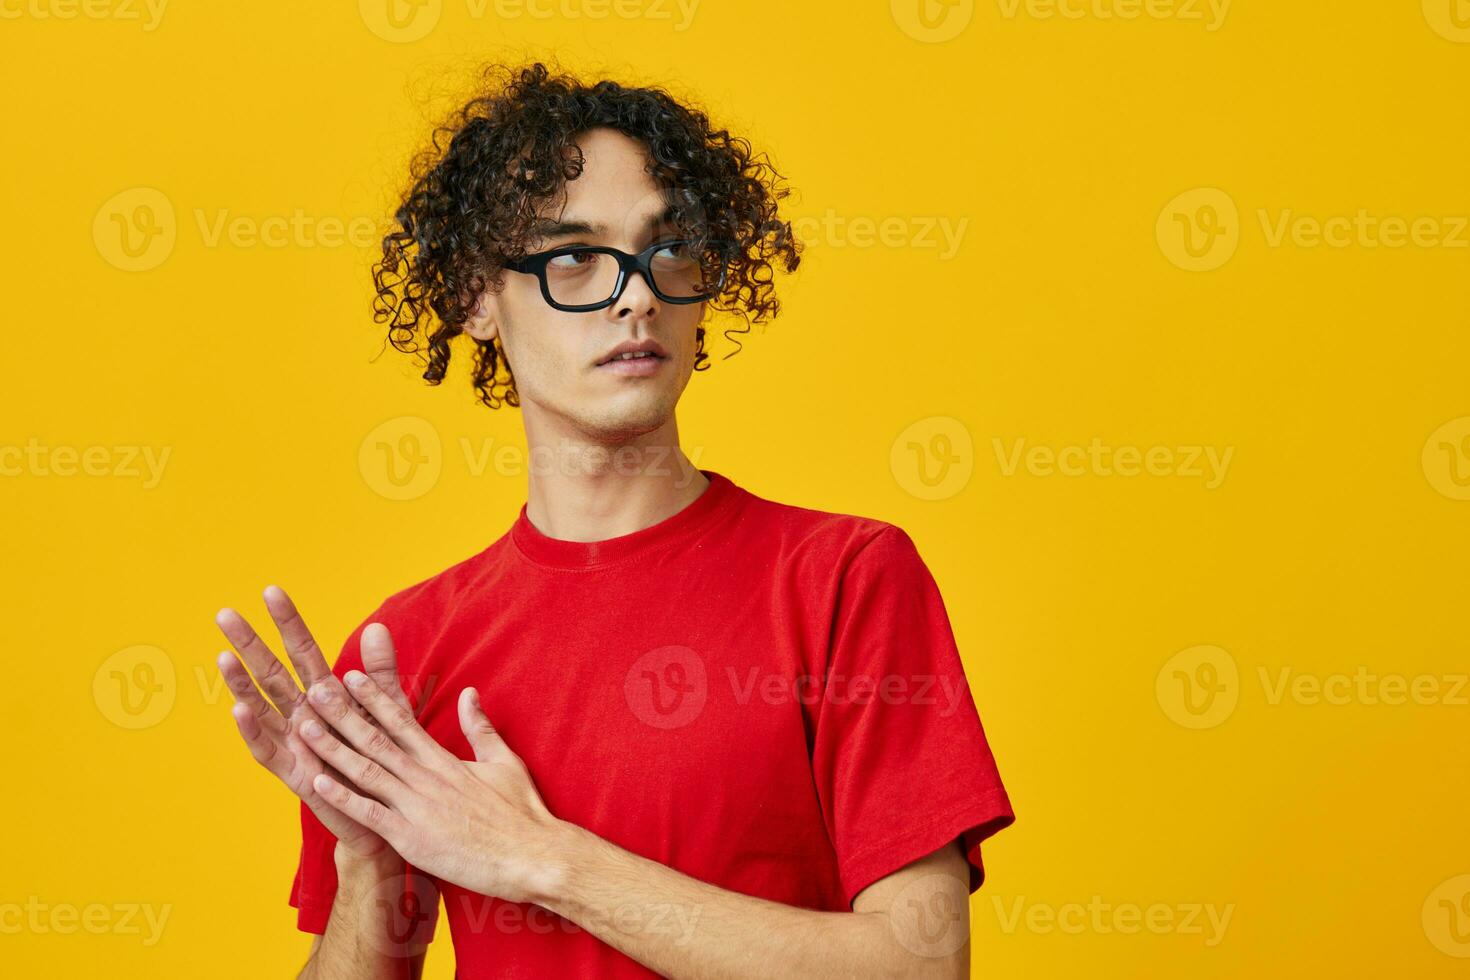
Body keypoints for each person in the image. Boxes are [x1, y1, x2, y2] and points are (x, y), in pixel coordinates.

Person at [214, 61, 1014, 979]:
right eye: (573, 258)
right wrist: (367, 861)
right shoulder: (404, 655)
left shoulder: (845, 578)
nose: (636, 294)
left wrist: (543, 860)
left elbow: (920, 968)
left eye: (666, 250)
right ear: (478, 298)